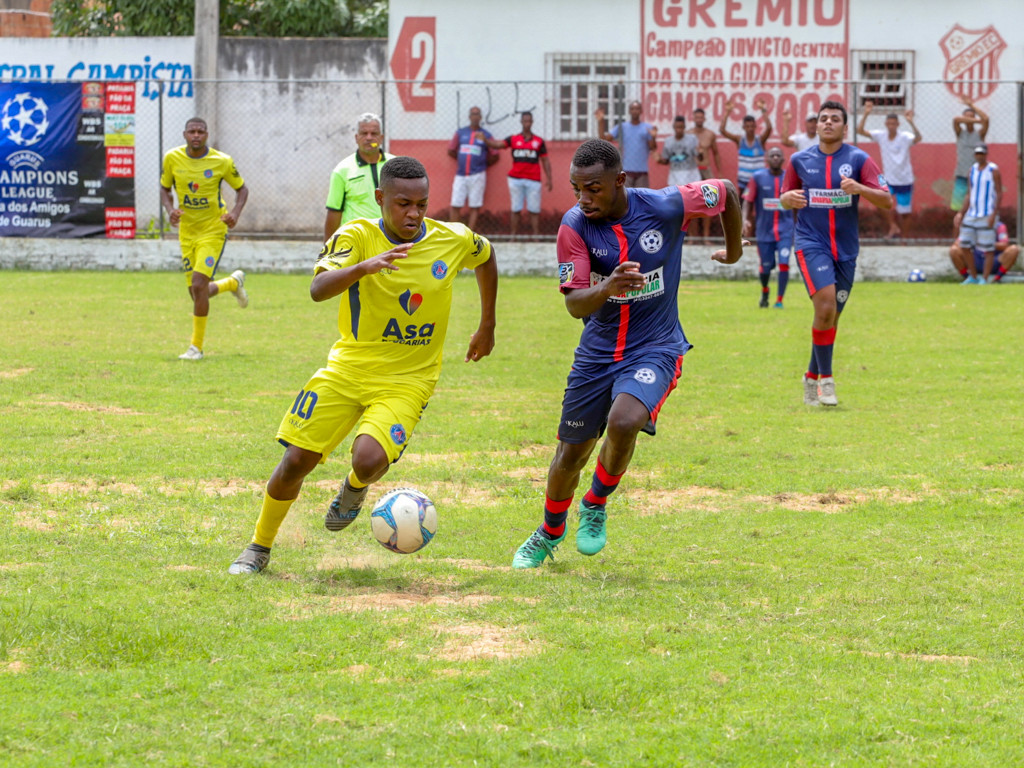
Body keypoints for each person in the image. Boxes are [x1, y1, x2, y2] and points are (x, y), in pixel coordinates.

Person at [229, 156, 498, 575]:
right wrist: (364, 267)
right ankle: (258, 548)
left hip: (409, 379)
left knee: (368, 461)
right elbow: (318, 288)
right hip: (348, 369)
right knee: (296, 462)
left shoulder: (452, 239)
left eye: (422, 204)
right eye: (403, 203)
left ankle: (354, 488)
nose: (413, 213)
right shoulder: (354, 236)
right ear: (380, 198)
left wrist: (487, 324)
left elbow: (486, 256)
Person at [511, 139, 745, 569]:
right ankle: (549, 531)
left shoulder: (664, 205)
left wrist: (734, 251)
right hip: (597, 354)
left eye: (594, 188)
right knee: (570, 455)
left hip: (656, 346)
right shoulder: (574, 227)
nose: (584, 198)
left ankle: (596, 503)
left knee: (625, 421)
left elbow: (727, 190)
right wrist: (607, 287)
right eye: (576, 188)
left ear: (620, 180)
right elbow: (574, 304)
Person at [780, 101, 891, 407]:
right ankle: (827, 382)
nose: (827, 123)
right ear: (816, 126)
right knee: (826, 305)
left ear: (845, 127)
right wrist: (786, 199)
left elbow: (887, 200)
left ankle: (810, 377)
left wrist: (860, 189)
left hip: (845, 249)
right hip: (810, 242)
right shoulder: (799, 161)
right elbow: (785, 198)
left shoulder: (859, 159)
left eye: (835, 119)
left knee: (830, 317)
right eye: (823, 119)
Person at [160, 117, 250, 362]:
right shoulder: (172, 158)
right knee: (196, 293)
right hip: (187, 232)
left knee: (199, 285)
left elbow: (242, 189)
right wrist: (170, 211)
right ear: (185, 134)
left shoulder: (221, 161)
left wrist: (234, 214)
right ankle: (232, 283)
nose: (196, 135)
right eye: (192, 132)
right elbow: (164, 188)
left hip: (213, 229)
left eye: (200, 131)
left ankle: (195, 348)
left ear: (207, 134)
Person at [855, 102, 922, 239]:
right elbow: (860, 130)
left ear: (898, 125)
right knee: (879, 201)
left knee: (905, 213)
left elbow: (918, 138)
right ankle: (892, 226)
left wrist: (911, 122)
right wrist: (867, 113)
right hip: (888, 178)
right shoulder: (881, 136)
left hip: (904, 179)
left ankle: (904, 238)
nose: (891, 126)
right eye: (889, 123)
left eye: (894, 123)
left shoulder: (905, 137)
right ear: (886, 124)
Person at [323, 112, 391, 242]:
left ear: (381, 138)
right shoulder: (342, 170)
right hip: (356, 241)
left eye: (374, 134)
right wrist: (328, 252)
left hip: (390, 239)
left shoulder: (395, 165)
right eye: (364, 133)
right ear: (356, 137)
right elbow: (334, 212)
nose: (369, 138)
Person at [484, 111, 553, 236]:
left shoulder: (539, 141)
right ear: (521, 122)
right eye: (525, 120)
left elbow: (545, 160)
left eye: (529, 121)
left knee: (534, 210)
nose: (527, 123)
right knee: (516, 208)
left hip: (533, 179)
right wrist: (485, 141)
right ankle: (513, 235)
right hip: (516, 178)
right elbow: (498, 145)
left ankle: (536, 235)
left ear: (532, 122)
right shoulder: (514, 139)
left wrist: (549, 178)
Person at [742, 147, 794, 308]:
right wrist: (745, 219)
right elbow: (748, 200)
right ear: (767, 159)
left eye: (779, 155)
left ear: (783, 159)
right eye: (772, 155)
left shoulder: (791, 178)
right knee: (766, 266)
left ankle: (779, 300)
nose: (776, 157)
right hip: (764, 231)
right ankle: (765, 290)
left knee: (784, 262)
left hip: (786, 229)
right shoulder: (757, 177)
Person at [952, 144, 1003, 284]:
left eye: (982, 153)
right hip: (972, 213)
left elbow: (999, 192)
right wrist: (961, 213)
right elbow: (969, 193)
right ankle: (973, 276)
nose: (979, 156)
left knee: (988, 247)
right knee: (965, 244)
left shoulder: (993, 170)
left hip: (987, 213)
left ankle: (985, 278)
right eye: (977, 154)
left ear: (986, 154)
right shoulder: (972, 170)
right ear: (974, 155)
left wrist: (994, 213)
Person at [447, 106, 500, 230]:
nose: (475, 116)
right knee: (455, 203)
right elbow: (451, 150)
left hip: (478, 175)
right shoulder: (460, 133)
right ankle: (454, 232)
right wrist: (462, 160)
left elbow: (495, 155)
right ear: (469, 116)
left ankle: (470, 234)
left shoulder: (486, 135)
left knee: (474, 205)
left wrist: (481, 164)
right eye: (473, 114)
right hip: (461, 174)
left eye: (477, 114)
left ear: (480, 117)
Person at [595, 101, 657, 187]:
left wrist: (653, 137)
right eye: (632, 109)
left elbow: (652, 147)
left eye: (637, 108)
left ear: (641, 111)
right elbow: (604, 140)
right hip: (626, 172)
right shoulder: (622, 127)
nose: (635, 111)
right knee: (626, 198)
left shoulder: (647, 128)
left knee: (642, 198)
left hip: (642, 172)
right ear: (629, 111)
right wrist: (601, 122)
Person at [950, 213, 1018, 284]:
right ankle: (969, 278)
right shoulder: (973, 226)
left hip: (994, 259)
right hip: (976, 259)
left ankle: (996, 279)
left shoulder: (1000, 226)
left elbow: (1004, 245)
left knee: (1013, 249)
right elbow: (957, 243)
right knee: (954, 250)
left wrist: (987, 243)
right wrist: (958, 227)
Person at [719, 99, 772, 189]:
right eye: (747, 126)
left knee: (759, 202)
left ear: (755, 126)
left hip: (758, 179)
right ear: (744, 127)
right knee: (742, 202)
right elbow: (722, 131)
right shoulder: (740, 140)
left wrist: (763, 110)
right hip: (743, 180)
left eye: (752, 126)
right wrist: (727, 112)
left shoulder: (760, 140)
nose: (750, 128)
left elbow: (769, 128)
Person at [951, 97, 990, 212]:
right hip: (961, 174)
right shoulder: (960, 133)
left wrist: (972, 106)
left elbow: (986, 119)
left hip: (977, 174)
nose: (969, 119)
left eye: (971, 116)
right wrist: (977, 120)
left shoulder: (980, 134)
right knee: (958, 207)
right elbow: (956, 120)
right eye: (966, 117)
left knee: (977, 204)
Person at [689, 108, 721, 239]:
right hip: (692, 170)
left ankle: (706, 236)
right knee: (691, 203)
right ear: (693, 118)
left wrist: (720, 172)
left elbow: (716, 153)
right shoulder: (688, 135)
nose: (699, 120)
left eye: (701, 117)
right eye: (697, 117)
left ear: (704, 119)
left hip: (706, 170)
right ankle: (692, 237)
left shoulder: (710, 134)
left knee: (709, 202)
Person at [658, 115, 701, 186]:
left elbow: (699, 157)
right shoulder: (668, 141)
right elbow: (666, 161)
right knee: (676, 195)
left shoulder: (692, 139)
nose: (679, 130)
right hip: (674, 174)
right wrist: (659, 160)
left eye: (681, 127)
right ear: (674, 127)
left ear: (684, 127)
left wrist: (700, 153)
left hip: (690, 173)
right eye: (677, 127)